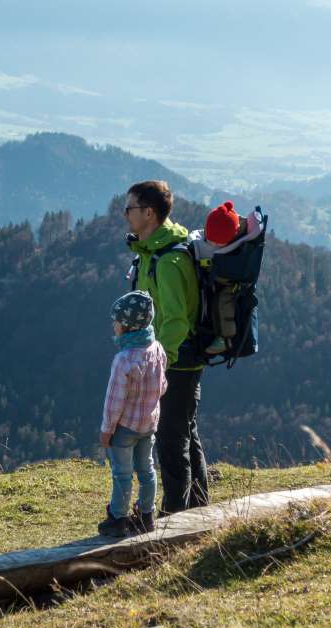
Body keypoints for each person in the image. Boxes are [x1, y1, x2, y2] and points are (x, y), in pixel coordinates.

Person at [123, 180, 208, 513]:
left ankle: (175, 515)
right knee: (185, 431)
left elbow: (175, 321)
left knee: (172, 441)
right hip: (174, 358)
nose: (125, 215)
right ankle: (200, 508)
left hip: (177, 362)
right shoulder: (151, 252)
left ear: (149, 213)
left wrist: (160, 362)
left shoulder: (169, 261)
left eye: (129, 208)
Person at [98, 290, 168, 536]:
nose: (113, 325)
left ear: (127, 326)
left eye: (115, 321)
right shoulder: (157, 349)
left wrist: (107, 430)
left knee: (122, 474)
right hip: (149, 424)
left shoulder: (123, 359)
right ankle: (146, 516)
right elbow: (163, 386)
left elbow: (114, 401)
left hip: (125, 428)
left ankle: (118, 519)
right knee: (147, 470)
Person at [189, 201, 265, 355]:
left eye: (219, 242)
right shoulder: (237, 235)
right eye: (211, 240)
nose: (215, 244)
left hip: (230, 283)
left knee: (223, 302)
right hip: (224, 278)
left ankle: (225, 338)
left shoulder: (234, 243)